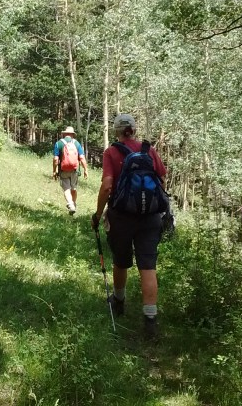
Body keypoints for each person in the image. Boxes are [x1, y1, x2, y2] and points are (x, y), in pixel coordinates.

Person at [91, 114, 167, 339]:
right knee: (148, 266)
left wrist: (97, 214)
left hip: (121, 216)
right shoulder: (148, 149)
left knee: (121, 261)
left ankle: (119, 301)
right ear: (134, 130)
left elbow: (107, 186)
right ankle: (150, 320)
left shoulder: (111, 152)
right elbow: (162, 178)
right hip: (151, 217)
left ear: (116, 131)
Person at [53, 126, 88, 215]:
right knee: (74, 188)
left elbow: (56, 159)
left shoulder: (59, 143)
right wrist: (85, 170)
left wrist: (54, 171)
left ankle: (70, 204)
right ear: (72, 135)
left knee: (66, 188)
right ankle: (74, 204)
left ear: (64, 134)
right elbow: (82, 158)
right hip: (75, 170)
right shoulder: (77, 143)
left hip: (63, 170)